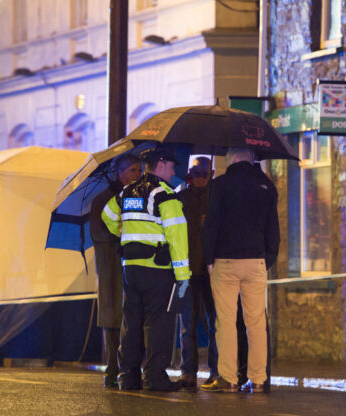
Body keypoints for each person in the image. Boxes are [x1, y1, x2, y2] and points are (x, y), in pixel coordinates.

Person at [101, 147, 191, 392]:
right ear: (160, 165)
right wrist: (183, 277)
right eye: (172, 167)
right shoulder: (165, 195)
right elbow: (178, 238)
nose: (173, 173)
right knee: (158, 324)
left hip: (131, 269)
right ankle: (154, 378)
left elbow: (107, 215)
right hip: (157, 269)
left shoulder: (127, 192)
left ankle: (128, 377)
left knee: (131, 324)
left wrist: (127, 235)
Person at [200, 147, 279, 393]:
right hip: (256, 261)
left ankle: (229, 378)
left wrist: (208, 258)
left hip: (226, 260)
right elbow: (273, 230)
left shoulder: (220, 185)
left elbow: (211, 224)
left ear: (231, 159)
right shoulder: (266, 187)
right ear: (252, 159)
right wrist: (266, 259)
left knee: (225, 321)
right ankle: (258, 378)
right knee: (255, 322)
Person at [88, 153, 141, 388]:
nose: (138, 175)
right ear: (120, 173)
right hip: (111, 265)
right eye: (133, 171)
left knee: (128, 315)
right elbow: (101, 233)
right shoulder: (103, 200)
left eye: (140, 171)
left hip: (128, 263)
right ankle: (112, 367)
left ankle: (128, 366)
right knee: (111, 316)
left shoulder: (136, 197)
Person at [178, 157, 219, 389]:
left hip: (213, 269)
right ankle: (188, 372)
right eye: (196, 173)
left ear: (211, 172)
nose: (200, 177)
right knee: (188, 323)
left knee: (216, 323)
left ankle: (215, 370)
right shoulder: (183, 199)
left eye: (204, 173)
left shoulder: (218, 198)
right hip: (190, 269)